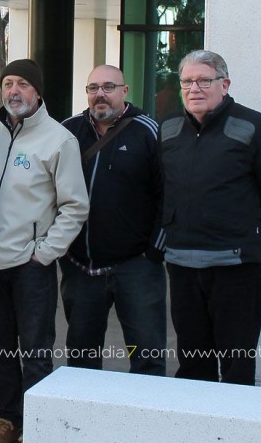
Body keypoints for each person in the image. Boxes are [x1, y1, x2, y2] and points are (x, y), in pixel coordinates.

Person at [161, 50, 261, 385]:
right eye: (187, 81)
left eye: (203, 80)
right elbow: (159, 191)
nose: (194, 88)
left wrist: (252, 240)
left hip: (236, 268)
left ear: (224, 84)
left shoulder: (258, 127)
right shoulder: (167, 131)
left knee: (237, 367)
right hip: (182, 265)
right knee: (194, 366)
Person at [0, 59, 89, 443]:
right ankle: (9, 421)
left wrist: (46, 252)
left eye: (22, 84)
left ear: (37, 92)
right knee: (0, 347)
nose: (14, 91)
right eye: (8, 83)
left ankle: (37, 427)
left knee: (36, 349)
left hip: (30, 264)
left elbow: (76, 205)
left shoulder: (59, 139)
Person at [60, 65, 166, 377]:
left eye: (108, 86)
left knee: (147, 356)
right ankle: (83, 424)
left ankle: (146, 423)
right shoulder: (68, 131)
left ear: (124, 91)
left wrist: (154, 251)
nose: (100, 94)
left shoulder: (148, 131)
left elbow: (168, 195)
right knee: (81, 357)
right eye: (93, 88)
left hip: (136, 267)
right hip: (80, 267)